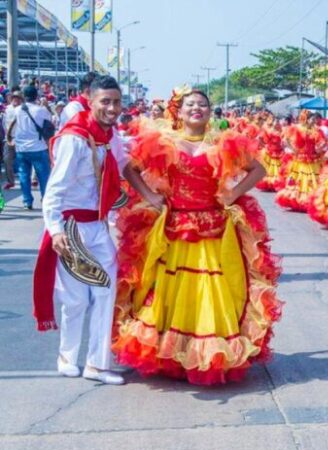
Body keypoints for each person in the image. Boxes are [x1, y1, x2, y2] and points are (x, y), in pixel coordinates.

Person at [112, 86, 283, 385]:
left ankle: (209, 354)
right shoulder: (164, 142)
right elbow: (130, 169)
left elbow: (259, 170)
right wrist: (151, 197)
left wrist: (233, 194)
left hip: (215, 229)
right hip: (174, 228)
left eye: (202, 104)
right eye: (190, 104)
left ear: (209, 110)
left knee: (212, 292)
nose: (197, 109)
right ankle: (171, 353)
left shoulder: (222, 143)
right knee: (170, 292)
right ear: (178, 110)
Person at [34, 75, 128, 385]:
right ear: (90, 100)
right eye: (105, 101)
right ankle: (67, 356)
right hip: (72, 230)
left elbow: (125, 167)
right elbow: (54, 190)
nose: (112, 108)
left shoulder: (107, 136)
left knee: (105, 293)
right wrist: (56, 230)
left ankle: (97, 364)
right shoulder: (74, 138)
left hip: (98, 228)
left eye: (116, 102)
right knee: (74, 300)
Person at [9, 85, 52, 209]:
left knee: (24, 176)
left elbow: (12, 125)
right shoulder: (41, 110)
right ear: (36, 96)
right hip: (38, 147)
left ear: (24, 96)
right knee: (43, 176)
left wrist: (10, 139)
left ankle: (27, 201)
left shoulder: (17, 110)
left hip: (22, 148)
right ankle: (46, 200)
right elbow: (49, 123)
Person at [276, 110, 326, 211]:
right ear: (307, 119)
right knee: (299, 181)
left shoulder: (316, 130)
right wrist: (295, 150)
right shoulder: (297, 128)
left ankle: (310, 201)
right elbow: (286, 140)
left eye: (314, 119)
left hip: (313, 159)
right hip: (300, 160)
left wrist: (319, 149)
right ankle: (299, 201)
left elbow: (319, 144)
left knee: (312, 181)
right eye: (312, 119)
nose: (314, 121)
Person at [255, 115, 286, 191]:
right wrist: (265, 145)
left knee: (278, 170)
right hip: (270, 152)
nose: (277, 124)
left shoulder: (282, 131)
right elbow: (259, 138)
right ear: (273, 123)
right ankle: (269, 184)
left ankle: (276, 184)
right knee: (270, 169)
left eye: (278, 122)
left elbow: (285, 141)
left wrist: (283, 146)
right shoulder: (269, 131)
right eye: (276, 122)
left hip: (279, 152)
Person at [3, 90, 22, 190]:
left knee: (24, 161)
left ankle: (28, 180)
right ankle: (10, 181)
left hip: (21, 139)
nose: (15, 99)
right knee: (7, 160)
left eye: (17, 97)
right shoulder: (7, 109)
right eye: (14, 97)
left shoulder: (23, 109)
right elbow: (4, 123)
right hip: (9, 138)